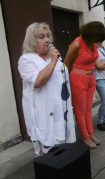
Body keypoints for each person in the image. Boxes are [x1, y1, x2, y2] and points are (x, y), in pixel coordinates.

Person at [18, 22, 76, 157]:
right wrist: (53, 61)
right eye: (41, 37)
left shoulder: (53, 57)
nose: (47, 40)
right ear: (32, 41)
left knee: (63, 147)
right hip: (43, 111)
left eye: (48, 36)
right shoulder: (26, 60)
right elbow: (38, 82)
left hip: (61, 108)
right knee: (49, 146)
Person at [64, 21, 105, 149]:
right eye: (97, 39)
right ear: (90, 34)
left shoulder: (92, 43)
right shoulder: (77, 43)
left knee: (88, 108)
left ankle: (90, 132)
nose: (98, 42)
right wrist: (66, 83)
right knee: (80, 110)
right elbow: (66, 63)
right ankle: (85, 136)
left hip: (91, 79)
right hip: (78, 79)